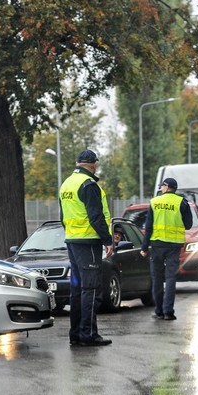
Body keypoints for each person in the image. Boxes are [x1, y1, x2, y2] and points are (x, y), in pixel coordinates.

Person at [59, 149, 114, 347]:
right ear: (92, 164)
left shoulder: (66, 184)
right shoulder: (89, 185)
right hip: (88, 242)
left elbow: (63, 217)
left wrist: (72, 234)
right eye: (96, 164)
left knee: (77, 289)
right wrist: (108, 240)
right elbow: (96, 217)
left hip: (72, 241)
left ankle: (75, 334)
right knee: (90, 289)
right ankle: (88, 334)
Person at [141, 177, 192, 321]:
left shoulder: (154, 202)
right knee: (170, 278)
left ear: (166, 186)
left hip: (156, 245)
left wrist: (144, 247)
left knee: (157, 278)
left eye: (162, 186)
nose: (161, 188)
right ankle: (168, 311)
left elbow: (148, 227)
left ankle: (158, 311)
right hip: (173, 246)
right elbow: (188, 225)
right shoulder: (181, 202)